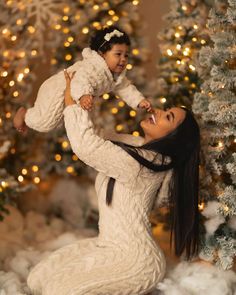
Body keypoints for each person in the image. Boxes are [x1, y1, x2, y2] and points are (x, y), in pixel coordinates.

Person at [27, 70, 200, 295]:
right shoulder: (135, 146)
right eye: (166, 110)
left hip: (136, 261)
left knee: (56, 290)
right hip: (107, 245)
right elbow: (97, 135)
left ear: (174, 139)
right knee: (37, 279)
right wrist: (85, 94)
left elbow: (87, 145)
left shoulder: (142, 164)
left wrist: (72, 103)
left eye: (168, 117)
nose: (157, 111)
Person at [13, 26, 152, 134]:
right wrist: (84, 95)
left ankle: (30, 115)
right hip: (59, 87)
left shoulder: (116, 76)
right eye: (118, 54)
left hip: (73, 92)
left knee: (65, 121)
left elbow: (126, 88)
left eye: (126, 55)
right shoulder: (92, 67)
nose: (123, 59)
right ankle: (24, 114)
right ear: (102, 54)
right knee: (45, 123)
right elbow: (81, 79)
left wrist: (139, 101)